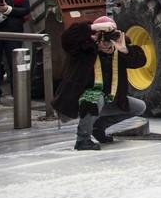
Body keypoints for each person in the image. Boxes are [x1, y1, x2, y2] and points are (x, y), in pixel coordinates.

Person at [54, 16, 147, 151]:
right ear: (95, 36)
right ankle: (82, 139)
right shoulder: (83, 48)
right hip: (77, 101)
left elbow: (140, 61)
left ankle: (98, 127)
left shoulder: (118, 49)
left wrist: (124, 50)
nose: (107, 43)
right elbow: (67, 38)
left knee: (139, 107)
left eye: (110, 38)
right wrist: (93, 28)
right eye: (103, 38)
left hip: (106, 100)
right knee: (96, 98)